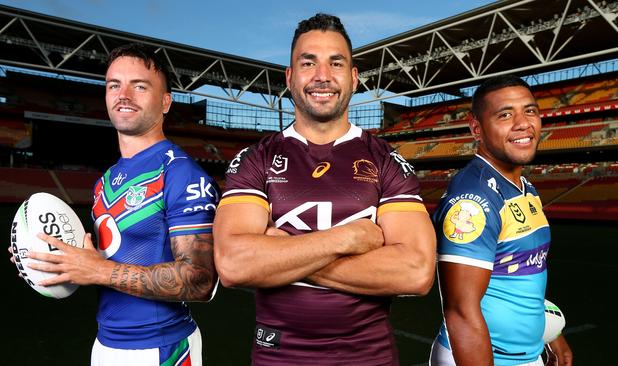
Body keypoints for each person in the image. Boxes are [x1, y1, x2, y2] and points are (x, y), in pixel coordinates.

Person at [213, 13, 436, 365]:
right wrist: (345, 240)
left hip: (370, 358)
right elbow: (233, 265)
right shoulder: (256, 158)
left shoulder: (386, 160)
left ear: (353, 77)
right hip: (278, 358)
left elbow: (416, 271)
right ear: (289, 77)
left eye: (336, 63)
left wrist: (283, 251)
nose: (322, 76)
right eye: (308, 63)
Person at [18, 44, 218, 366]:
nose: (124, 94)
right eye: (114, 85)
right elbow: (105, 262)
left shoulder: (180, 173)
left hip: (162, 348)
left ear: (166, 102)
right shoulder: (106, 181)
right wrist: (45, 256)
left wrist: (97, 269)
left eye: (139, 86)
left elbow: (199, 279)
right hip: (105, 345)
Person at [429, 75, 573, 366]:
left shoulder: (525, 188)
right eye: (505, 114)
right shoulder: (473, 200)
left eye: (529, 111)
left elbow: (521, 276)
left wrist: (551, 335)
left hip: (527, 356)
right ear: (476, 129)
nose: (523, 123)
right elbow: (462, 313)